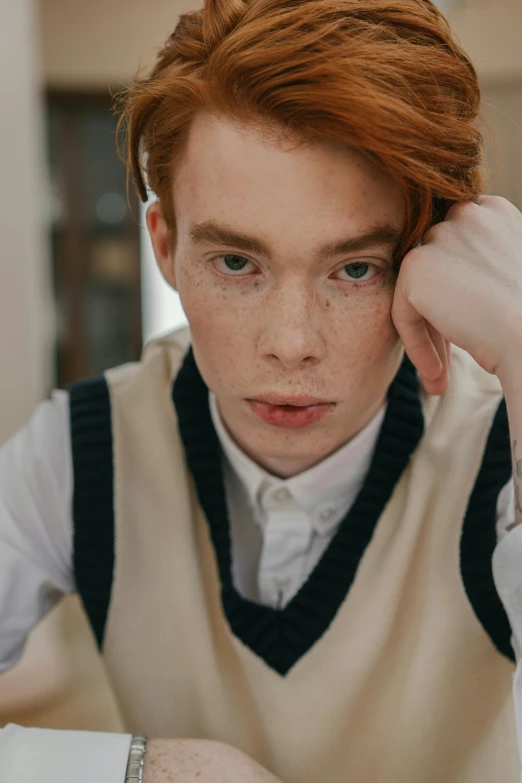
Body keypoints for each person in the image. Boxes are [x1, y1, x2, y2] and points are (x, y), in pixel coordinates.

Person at [2, 0, 522, 781]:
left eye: (356, 269)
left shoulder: (500, 444)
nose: (291, 343)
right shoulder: (80, 449)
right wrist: (151, 769)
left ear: (428, 266)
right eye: (236, 263)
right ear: (167, 248)